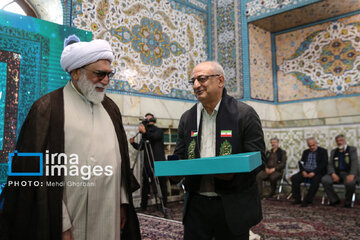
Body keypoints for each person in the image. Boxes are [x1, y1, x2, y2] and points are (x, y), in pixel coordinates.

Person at [0, 38, 140, 240]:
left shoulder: (111, 109)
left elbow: (120, 163)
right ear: (76, 72)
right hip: (69, 220)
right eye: (99, 74)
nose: (106, 81)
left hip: (109, 214)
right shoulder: (47, 108)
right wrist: (60, 222)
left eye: (109, 74)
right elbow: (34, 172)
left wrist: (122, 203)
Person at [173, 61, 265, 240]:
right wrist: (174, 171)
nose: (196, 85)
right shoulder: (187, 118)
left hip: (231, 204)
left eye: (202, 79)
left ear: (220, 81)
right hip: (196, 205)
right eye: (193, 81)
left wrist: (232, 173)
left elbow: (258, 158)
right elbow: (180, 154)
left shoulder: (244, 114)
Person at [129, 113, 168, 210]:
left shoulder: (158, 131)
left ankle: (164, 204)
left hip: (158, 162)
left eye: (150, 119)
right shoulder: (145, 134)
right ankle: (143, 206)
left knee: (161, 183)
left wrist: (144, 132)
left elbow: (154, 137)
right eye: (147, 119)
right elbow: (141, 147)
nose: (148, 121)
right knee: (145, 183)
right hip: (148, 163)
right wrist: (133, 144)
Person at [321, 134, 358, 208]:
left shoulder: (352, 149)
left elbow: (355, 163)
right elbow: (330, 164)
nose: (339, 142)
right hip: (337, 173)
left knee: (350, 183)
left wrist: (352, 174)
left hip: (348, 173)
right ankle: (334, 199)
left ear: (344, 141)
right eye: (337, 141)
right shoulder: (334, 151)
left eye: (341, 140)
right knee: (325, 179)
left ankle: (348, 202)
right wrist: (333, 174)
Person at [291, 137, 328, 207]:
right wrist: (303, 171)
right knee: (294, 178)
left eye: (313, 145)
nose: (312, 147)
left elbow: (323, 164)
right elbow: (301, 163)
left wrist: (314, 172)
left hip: (317, 172)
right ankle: (297, 198)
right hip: (306, 171)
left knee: (315, 181)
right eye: (310, 146)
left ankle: (308, 200)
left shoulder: (323, 151)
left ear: (316, 143)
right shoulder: (306, 152)